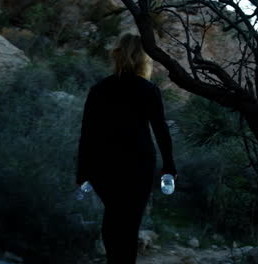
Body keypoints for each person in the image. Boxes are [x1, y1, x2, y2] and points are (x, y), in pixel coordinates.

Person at [76, 33, 177, 264]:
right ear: (143, 59)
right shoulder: (148, 89)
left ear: (117, 54)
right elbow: (161, 130)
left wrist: (82, 173)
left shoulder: (99, 89)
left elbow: (88, 134)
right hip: (138, 165)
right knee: (130, 223)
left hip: (105, 166)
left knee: (112, 217)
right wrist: (169, 166)